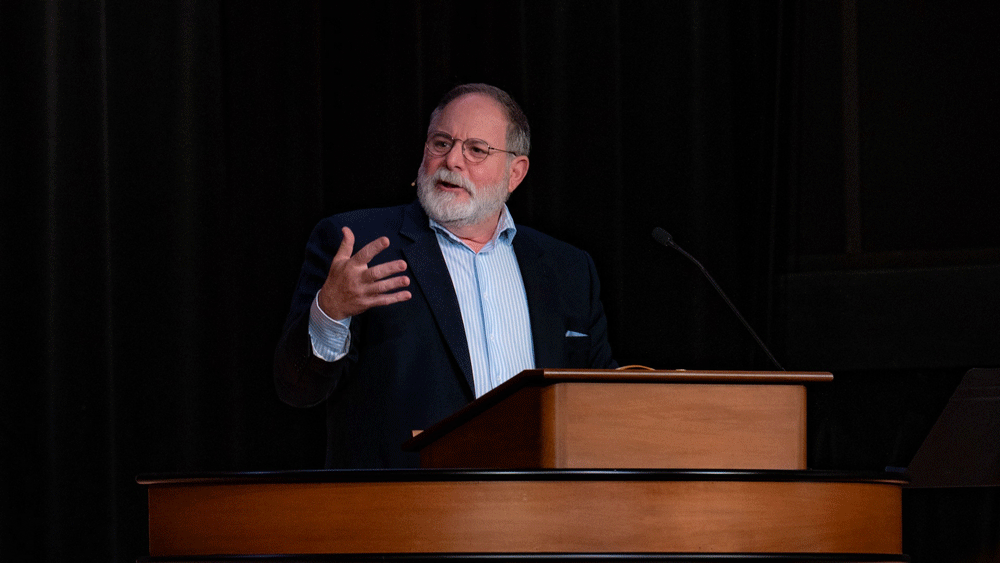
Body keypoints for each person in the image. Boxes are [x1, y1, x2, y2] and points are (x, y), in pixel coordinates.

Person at [274, 83, 616, 468]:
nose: (453, 160)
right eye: (441, 143)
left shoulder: (567, 268)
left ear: (515, 173)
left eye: (476, 150)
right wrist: (330, 312)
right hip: (404, 512)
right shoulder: (360, 247)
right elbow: (298, 390)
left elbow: (599, 405)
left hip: (537, 512)